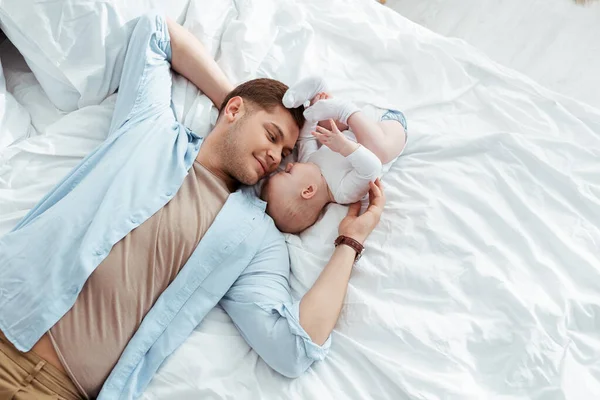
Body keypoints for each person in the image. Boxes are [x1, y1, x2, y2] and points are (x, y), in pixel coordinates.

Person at [0, 12, 385, 400]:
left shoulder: (253, 236)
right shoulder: (150, 129)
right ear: (234, 111)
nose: (275, 156)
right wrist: (234, 98)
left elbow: (292, 348)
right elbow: (155, 32)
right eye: (271, 135)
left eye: (286, 153)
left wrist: (349, 244)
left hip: (59, 391)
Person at [262, 77, 407, 233]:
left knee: (321, 125)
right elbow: (372, 168)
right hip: (388, 129)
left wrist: (311, 114)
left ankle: (317, 90)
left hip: (358, 124)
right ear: (308, 190)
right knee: (379, 152)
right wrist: (344, 147)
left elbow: (307, 137)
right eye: (287, 172)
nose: (289, 164)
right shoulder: (343, 192)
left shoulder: (307, 162)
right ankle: (345, 109)